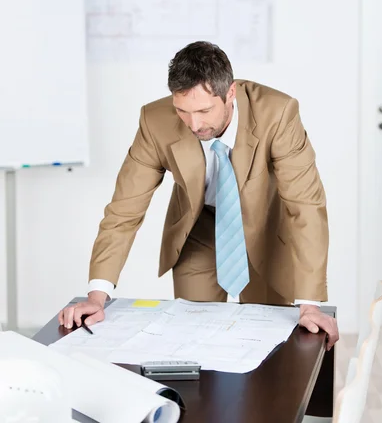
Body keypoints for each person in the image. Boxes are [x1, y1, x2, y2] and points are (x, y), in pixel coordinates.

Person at [59, 41, 339, 349]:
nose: (194, 124)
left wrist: (310, 303)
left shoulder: (278, 113)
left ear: (230, 93)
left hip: (266, 230)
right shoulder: (155, 122)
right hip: (200, 228)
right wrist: (97, 296)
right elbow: (124, 210)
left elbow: (305, 206)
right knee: (193, 334)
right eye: (183, 111)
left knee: (272, 338)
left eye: (204, 110)